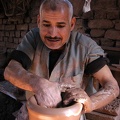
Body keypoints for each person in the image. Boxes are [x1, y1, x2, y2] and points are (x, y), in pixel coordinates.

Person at [4, 0, 119, 120]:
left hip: (71, 115)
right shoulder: (33, 38)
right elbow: (10, 70)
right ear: (38, 22)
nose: (53, 34)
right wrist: (38, 83)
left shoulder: (85, 47)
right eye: (46, 25)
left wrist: (91, 103)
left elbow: (112, 86)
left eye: (60, 26)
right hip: (35, 113)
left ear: (72, 24)